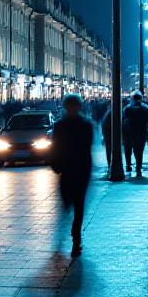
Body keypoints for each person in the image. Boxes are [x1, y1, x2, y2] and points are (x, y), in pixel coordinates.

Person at [50, 94, 94, 256]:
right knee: (72, 206)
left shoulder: (61, 125)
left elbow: (55, 148)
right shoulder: (85, 124)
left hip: (72, 171)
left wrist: (56, 165)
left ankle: (76, 240)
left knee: (74, 207)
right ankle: (73, 238)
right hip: (77, 171)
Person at [122, 92, 148, 177]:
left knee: (128, 150)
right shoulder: (145, 108)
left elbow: (122, 121)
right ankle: (138, 168)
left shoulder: (127, 108)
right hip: (141, 133)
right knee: (139, 152)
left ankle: (128, 165)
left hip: (128, 133)